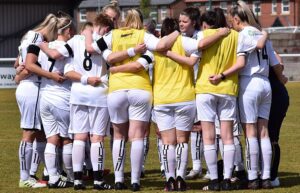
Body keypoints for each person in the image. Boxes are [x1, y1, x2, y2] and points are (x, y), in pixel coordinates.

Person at [84, 9, 181, 191]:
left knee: (119, 136)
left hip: (117, 89)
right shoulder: (144, 35)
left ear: (124, 20)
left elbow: (91, 48)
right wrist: (177, 32)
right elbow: (161, 46)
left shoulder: (113, 34)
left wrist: (91, 36)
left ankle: (119, 179)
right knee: (137, 137)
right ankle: (136, 180)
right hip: (140, 88)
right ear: (141, 21)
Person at [228, 0, 287, 189]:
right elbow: (275, 64)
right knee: (264, 133)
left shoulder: (241, 35)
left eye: (232, 20)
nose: (231, 23)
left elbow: (241, 62)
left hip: (249, 83)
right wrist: (282, 77)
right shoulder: (262, 33)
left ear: (237, 19)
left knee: (251, 133)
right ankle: (267, 177)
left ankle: (253, 177)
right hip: (265, 84)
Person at [25, 13, 75, 188]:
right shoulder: (69, 46)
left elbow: (28, 64)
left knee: (51, 138)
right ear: (68, 30)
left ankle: (53, 177)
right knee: (67, 139)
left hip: (45, 96)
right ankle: (70, 177)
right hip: (61, 96)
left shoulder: (42, 45)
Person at [15, 13, 59, 188]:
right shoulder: (37, 38)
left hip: (30, 87)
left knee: (39, 132)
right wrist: (51, 75)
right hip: (32, 88)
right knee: (29, 132)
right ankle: (24, 178)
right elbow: (29, 65)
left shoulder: (29, 35)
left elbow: (18, 64)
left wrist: (19, 72)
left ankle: (45, 174)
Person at [178, 7, 205, 180]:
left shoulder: (201, 38)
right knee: (190, 128)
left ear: (194, 22)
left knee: (201, 128)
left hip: (201, 85)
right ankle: (195, 166)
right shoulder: (179, 38)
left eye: (184, 21)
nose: (181, 24)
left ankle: (200, 166)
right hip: (184, 87)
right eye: (180, 21)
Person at [268, 53, 289, 187]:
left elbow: (280, 67)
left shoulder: (270, 51)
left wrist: (280, 74)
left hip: (277, 97)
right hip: (264, 96)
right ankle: (262, 173)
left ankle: (273, 176)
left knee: (272, 137)